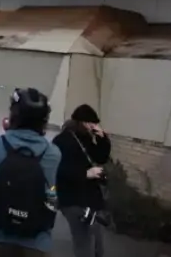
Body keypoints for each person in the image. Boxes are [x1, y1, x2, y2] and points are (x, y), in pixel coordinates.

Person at [0, 88, 61, 257]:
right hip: (36, 244)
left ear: (14, 115)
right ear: (44, 120)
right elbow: (54, 194)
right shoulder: (53, 154)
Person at [52, 104, 111, 257]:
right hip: (73, 200)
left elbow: (101, 157)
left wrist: (103, 138)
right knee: (84, 243)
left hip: (91, 199)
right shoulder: (61, 141)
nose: (93, 127)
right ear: (82, 122)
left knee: (97, 243)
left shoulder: (86, 138)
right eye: (91, 123)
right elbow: (59, 170)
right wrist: (85, 174)